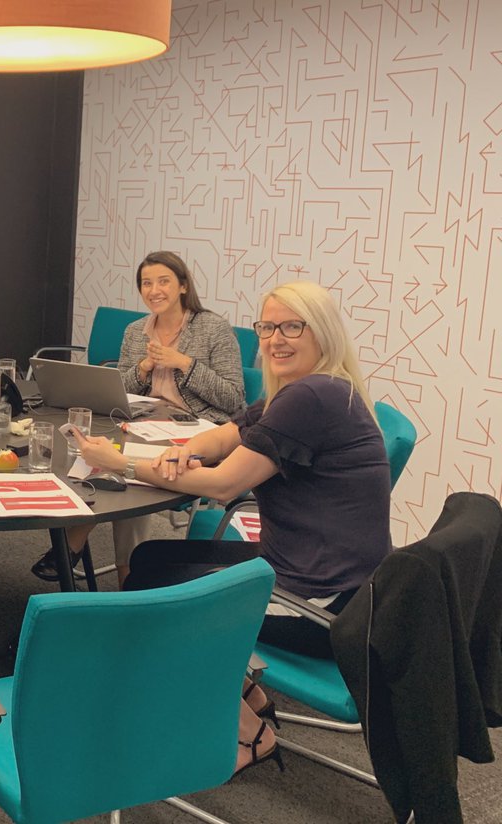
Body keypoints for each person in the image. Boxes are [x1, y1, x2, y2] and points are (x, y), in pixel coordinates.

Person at [66, 280, 391, 776]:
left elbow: (223, 484)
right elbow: (225, 436)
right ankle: (242, 690)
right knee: (150, 561)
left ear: (322, 332)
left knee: (157, 597)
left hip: (322, 604)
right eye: (267, 327)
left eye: (292, 327)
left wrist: (120, 462)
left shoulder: (313, 397)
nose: (276, 339)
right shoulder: (308, 389)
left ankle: (251, 734)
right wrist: (183, 452)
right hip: (311, 570)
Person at [31, 251, 245, 584]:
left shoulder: (213, 328)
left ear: (183, 286)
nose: (154, 290)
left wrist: (183, 363)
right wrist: (143, 368)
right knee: (97, 454)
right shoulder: (136, 331)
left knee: (128, 471)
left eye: (163, 282)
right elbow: (121, 390)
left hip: (199, 433)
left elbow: (233, 399)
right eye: (147, 283)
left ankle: (87, 553)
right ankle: (117, 574)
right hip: (145, 426)